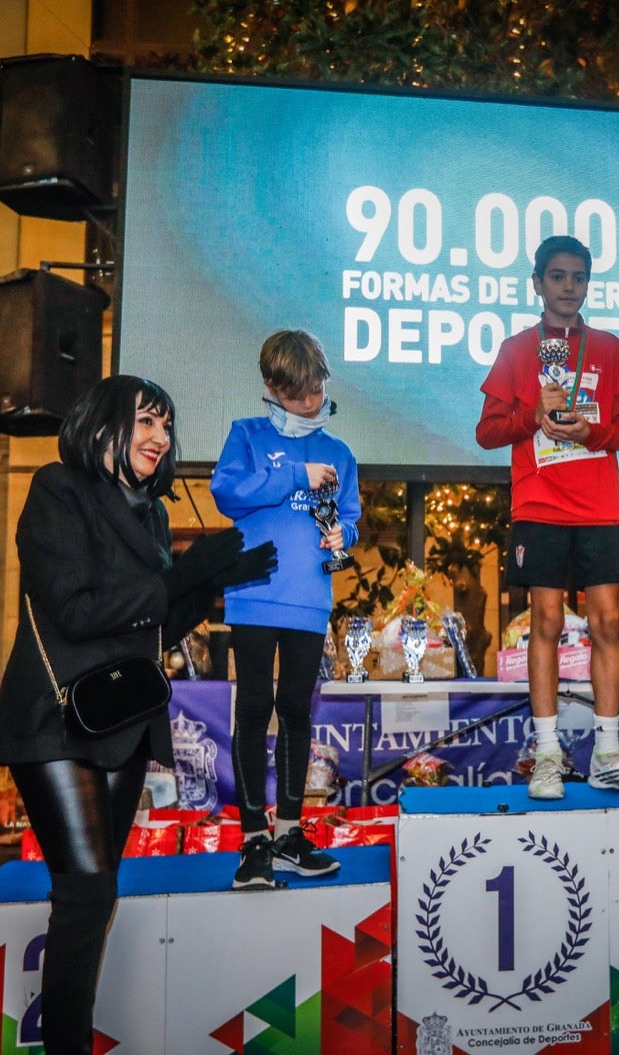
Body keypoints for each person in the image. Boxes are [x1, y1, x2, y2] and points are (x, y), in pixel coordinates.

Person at [0, 375, 275, 1054]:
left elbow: (151, 632)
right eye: (146, 422)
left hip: (120, 721)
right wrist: (180, 575)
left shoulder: (149, 511)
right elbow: (76, 611)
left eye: (166, 427)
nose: (161, 438)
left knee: (97, 894)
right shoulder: (59, 490)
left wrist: (209, 584)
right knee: (84, 890)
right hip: (57, 721)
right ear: (102, 425)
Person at [475, 235, 619, 799]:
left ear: (587, 285)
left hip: (598, 506)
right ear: (537, 283)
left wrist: (590, 433)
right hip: (540, 503)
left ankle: (607, 753)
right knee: (547, 622)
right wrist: (534, 416)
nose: (568, 287)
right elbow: (487, 433)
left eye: (578, 278)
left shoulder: (606, 345)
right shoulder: (515, 349)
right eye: (557, 277)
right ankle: (549, 754)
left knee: (606, 623)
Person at [212, 329, 359, 889]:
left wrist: (339, 538)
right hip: (252, 595)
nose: (311, 401)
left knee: (297, 711)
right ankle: (253, 841)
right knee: (252, 710)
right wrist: (294, 476)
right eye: (298, 393)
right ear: (271, 387)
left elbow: (350, 517)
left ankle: (291, 832)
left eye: (317, 389)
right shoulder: (245, 436)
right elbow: (229, 494)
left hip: (308, 601)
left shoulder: (339, 452)